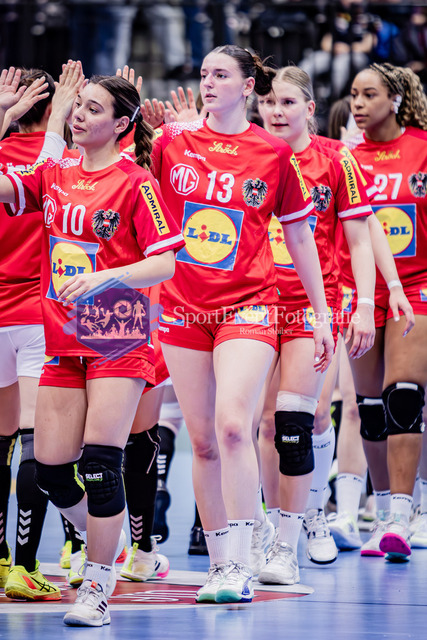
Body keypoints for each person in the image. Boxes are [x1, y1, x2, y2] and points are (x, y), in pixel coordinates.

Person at [151, 44, 334, 604]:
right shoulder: (170, 142)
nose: (208, 82)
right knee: (203, 442)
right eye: (204, 73)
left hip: (249, 305)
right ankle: (224, 564)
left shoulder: (272, 152)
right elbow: (143, 214)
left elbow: (299, 235)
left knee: (234, 425)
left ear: (248, 86)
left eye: (221, 75)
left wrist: (321, 313)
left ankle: (252, 551)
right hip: (183, 307)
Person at [0, 72, 184, 626]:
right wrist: (4, 116)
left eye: (93, 109)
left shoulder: (136, 182)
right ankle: (109, 536)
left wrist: (106, 278)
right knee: (52, 471)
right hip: (63, 340)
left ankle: (98, 589)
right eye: (77, 106)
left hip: (118, 335)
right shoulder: (53, 173)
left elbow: (165, 261)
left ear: (122, 124)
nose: (79, 115)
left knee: (102, 466)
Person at [255, 65, 376, 582]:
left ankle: (311, 513)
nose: (276, 112)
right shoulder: (250, 155)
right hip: (256, 304)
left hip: (315, 306)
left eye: (287, 103)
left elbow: (360, 239)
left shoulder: (336, 159)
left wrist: (365, 304)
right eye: (268, 103)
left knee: (307, 418)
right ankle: (277, 526)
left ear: (309, 108)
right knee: (265, 423)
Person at [0, 64, 82, 601]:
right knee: (37, 440)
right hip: (38, 312)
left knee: (1, 439)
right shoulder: (67, 163)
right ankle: (26, 566)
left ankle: (1, 559)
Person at [339, 62, 427, 561]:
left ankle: (401, 516)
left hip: (416, 287)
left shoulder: (423, 148)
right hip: (362, 291)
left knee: (404, 396)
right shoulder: (347, 158)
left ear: (394, 99)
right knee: (370, 409)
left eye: (369, 94)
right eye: (353, 94)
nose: (357, 103)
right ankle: (382, 512)